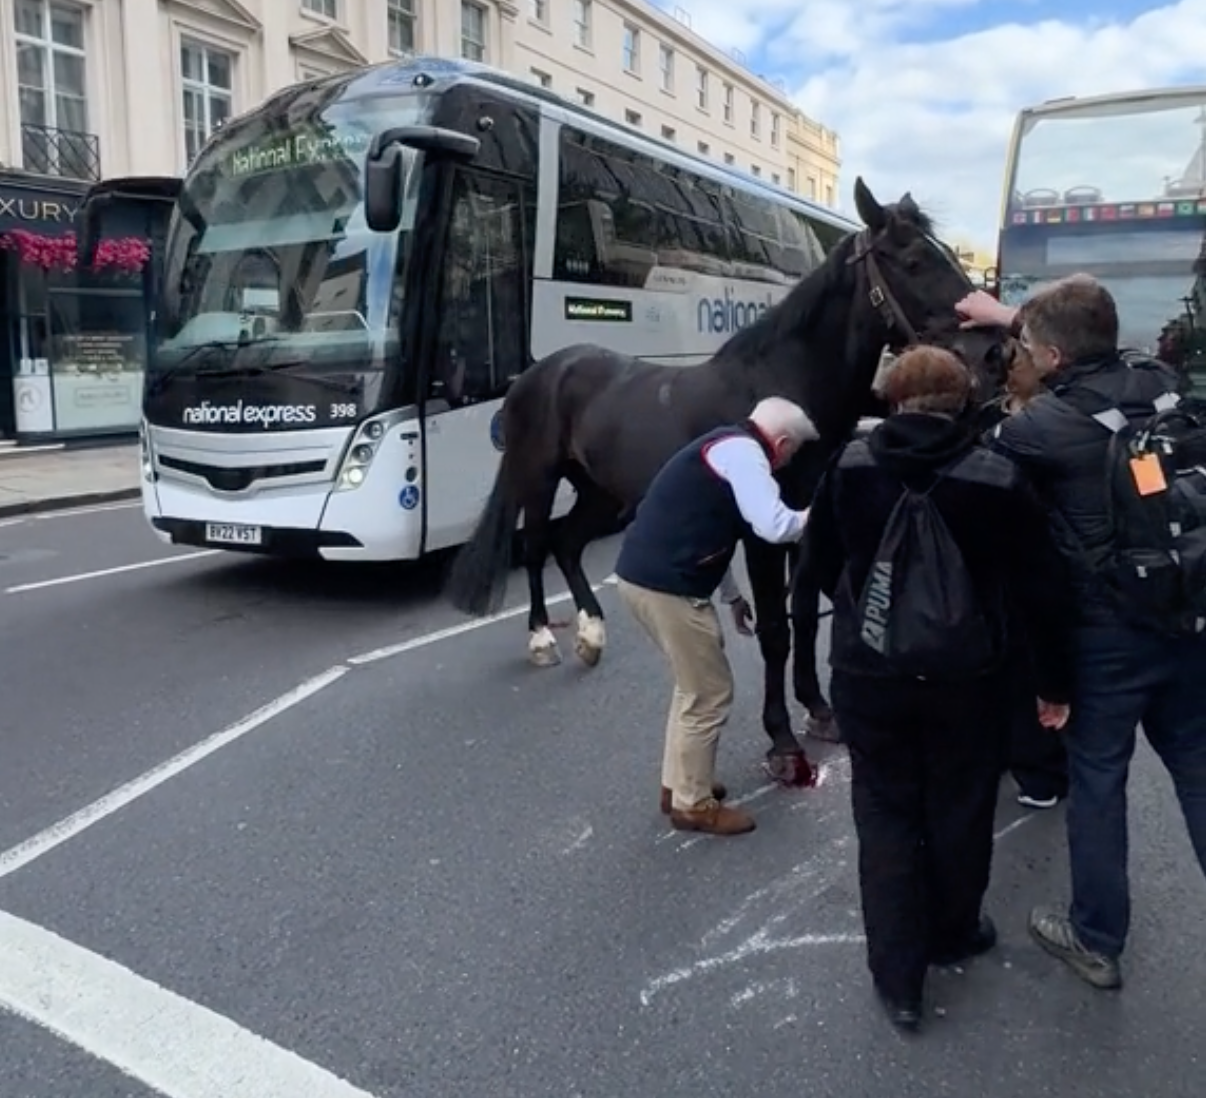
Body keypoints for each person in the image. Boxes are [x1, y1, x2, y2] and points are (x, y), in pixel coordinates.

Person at [796, 344, 1073, 1030]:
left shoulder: (849, 466)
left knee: (885, 812)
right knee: (961, 803)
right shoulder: (997, 476)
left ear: (892, 400)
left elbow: (818, 566)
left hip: (869, 673)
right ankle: (954, 930)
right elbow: (1041, 588)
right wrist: (1052, 682)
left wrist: (871, 613)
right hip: (969, 677)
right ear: (962, 401)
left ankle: (898, 979)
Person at [958, 277, 1206, 991]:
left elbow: (975, 470)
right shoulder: (1161, 380)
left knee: (1097, 781)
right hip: (1184, 615)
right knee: (1197, 766)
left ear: (1054, 358)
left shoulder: (1038, 428)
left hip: (1103, 638)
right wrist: (1022, 318)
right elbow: (1102, 350)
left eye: (1030, 348)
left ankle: (1096, 938)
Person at [615, 396, 816, 836]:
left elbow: (706, 524)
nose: (788, 463)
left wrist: (732, 597)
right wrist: (826, 512)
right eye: (793, 452)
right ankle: (693, 805)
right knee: (709, 693)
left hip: (641, 576)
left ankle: (678, 785)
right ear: (781, 443)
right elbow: (775, 525)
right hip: (669, 586)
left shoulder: (722, 445)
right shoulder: (748, 456)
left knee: (692, 688)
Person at [975, 339, 1070, 809]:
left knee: (1034, 663)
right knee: (996, 661)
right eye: (1005, 365)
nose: (1009, 372)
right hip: (993, 556)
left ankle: (1042, 766)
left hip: (1038, 551)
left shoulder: (1057, 417)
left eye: (1017, 363)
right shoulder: (988, 415)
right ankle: (999, 751)